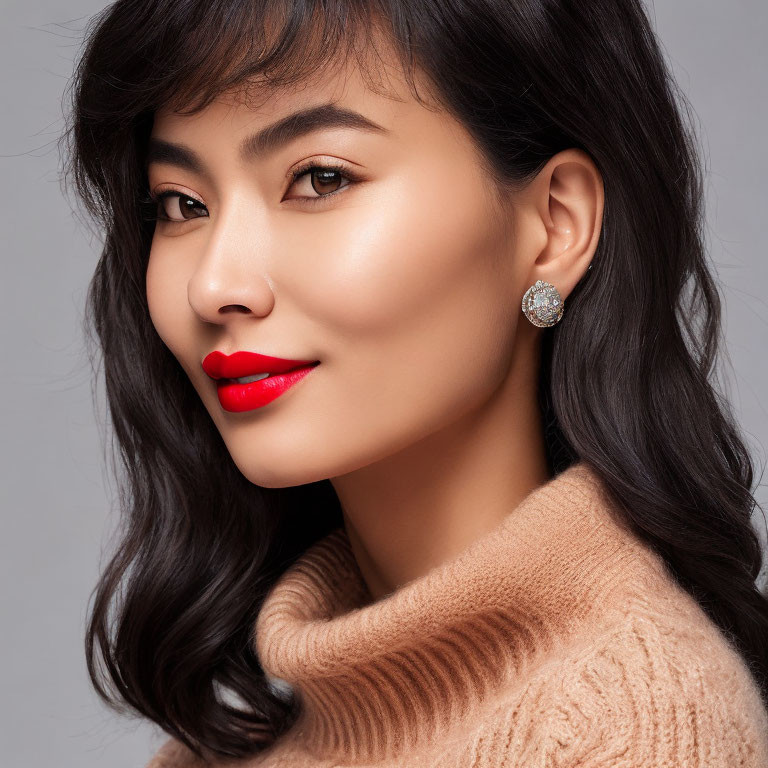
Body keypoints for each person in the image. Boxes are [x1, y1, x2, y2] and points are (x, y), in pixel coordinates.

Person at [62, 0, 768, 765]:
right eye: (182, 204)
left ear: (556, 225)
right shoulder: (213, 752)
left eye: (319, 177)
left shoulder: (634, 729)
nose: (214, 285)